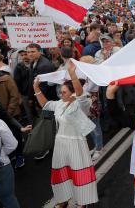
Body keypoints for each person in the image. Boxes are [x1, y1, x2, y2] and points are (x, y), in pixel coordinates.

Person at [33, 63, 98, 208]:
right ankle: (62, 200)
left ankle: (82, 202)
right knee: (61, 173)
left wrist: (73, 75)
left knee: (78, 172)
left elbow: (80, 93)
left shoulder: (82, 104)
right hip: (60, 143)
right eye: (60, 92)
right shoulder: (60, 104)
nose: (60, 95)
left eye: (64, 92)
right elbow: (45, 104)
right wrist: (36, 88)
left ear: (72, 92)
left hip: (76, 144)